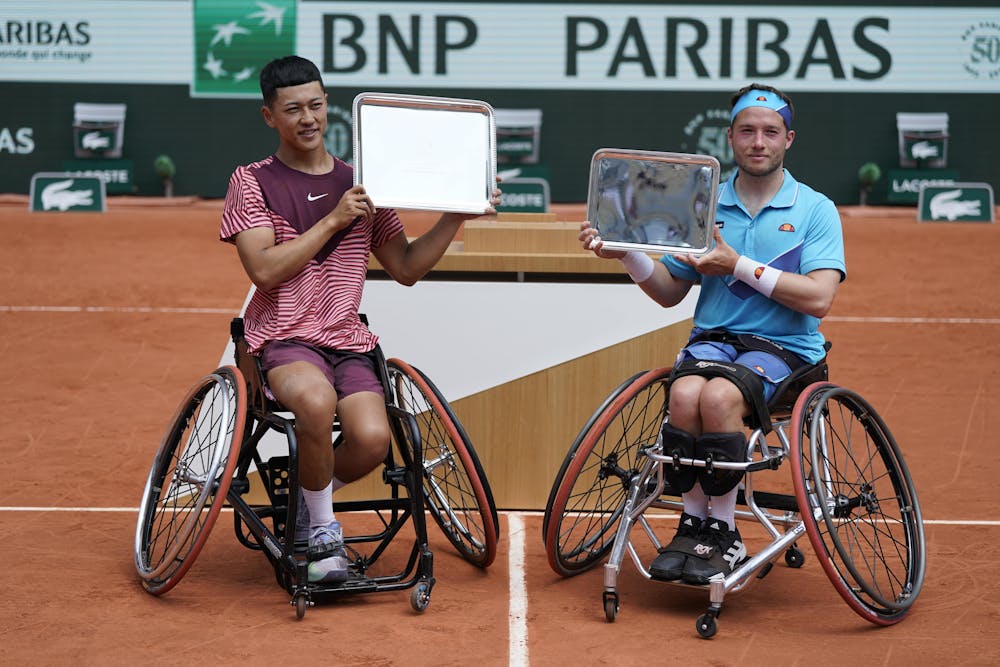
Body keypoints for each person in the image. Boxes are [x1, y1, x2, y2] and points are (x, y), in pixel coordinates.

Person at [219, 55, 499, 583]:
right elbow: (263, 270)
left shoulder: (366, 182)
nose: (308, 118)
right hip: (282, 337)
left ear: (329, 107)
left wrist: (458, 214)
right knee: (316, 402)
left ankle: (306, 497)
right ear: (269, 117)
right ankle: (322, 535)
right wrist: (333, 220)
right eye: (293, 109)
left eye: (317, 105)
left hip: (347, 341)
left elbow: (408, 267)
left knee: (372, 439)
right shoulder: (251, 181)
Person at [579, 83, 845, 585]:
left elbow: (819, 299)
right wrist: (626, 254)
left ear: (789, 138)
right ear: (731, 138)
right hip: (714, 340)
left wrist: (739, 265)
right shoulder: (702, 203)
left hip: (786, 350)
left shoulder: (815, 210)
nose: (758, 142)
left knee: (719, 399)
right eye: (747, 131)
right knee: (683, 393)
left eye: (770, 132)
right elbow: (667, 291)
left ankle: (723, 533)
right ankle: (692, 522)